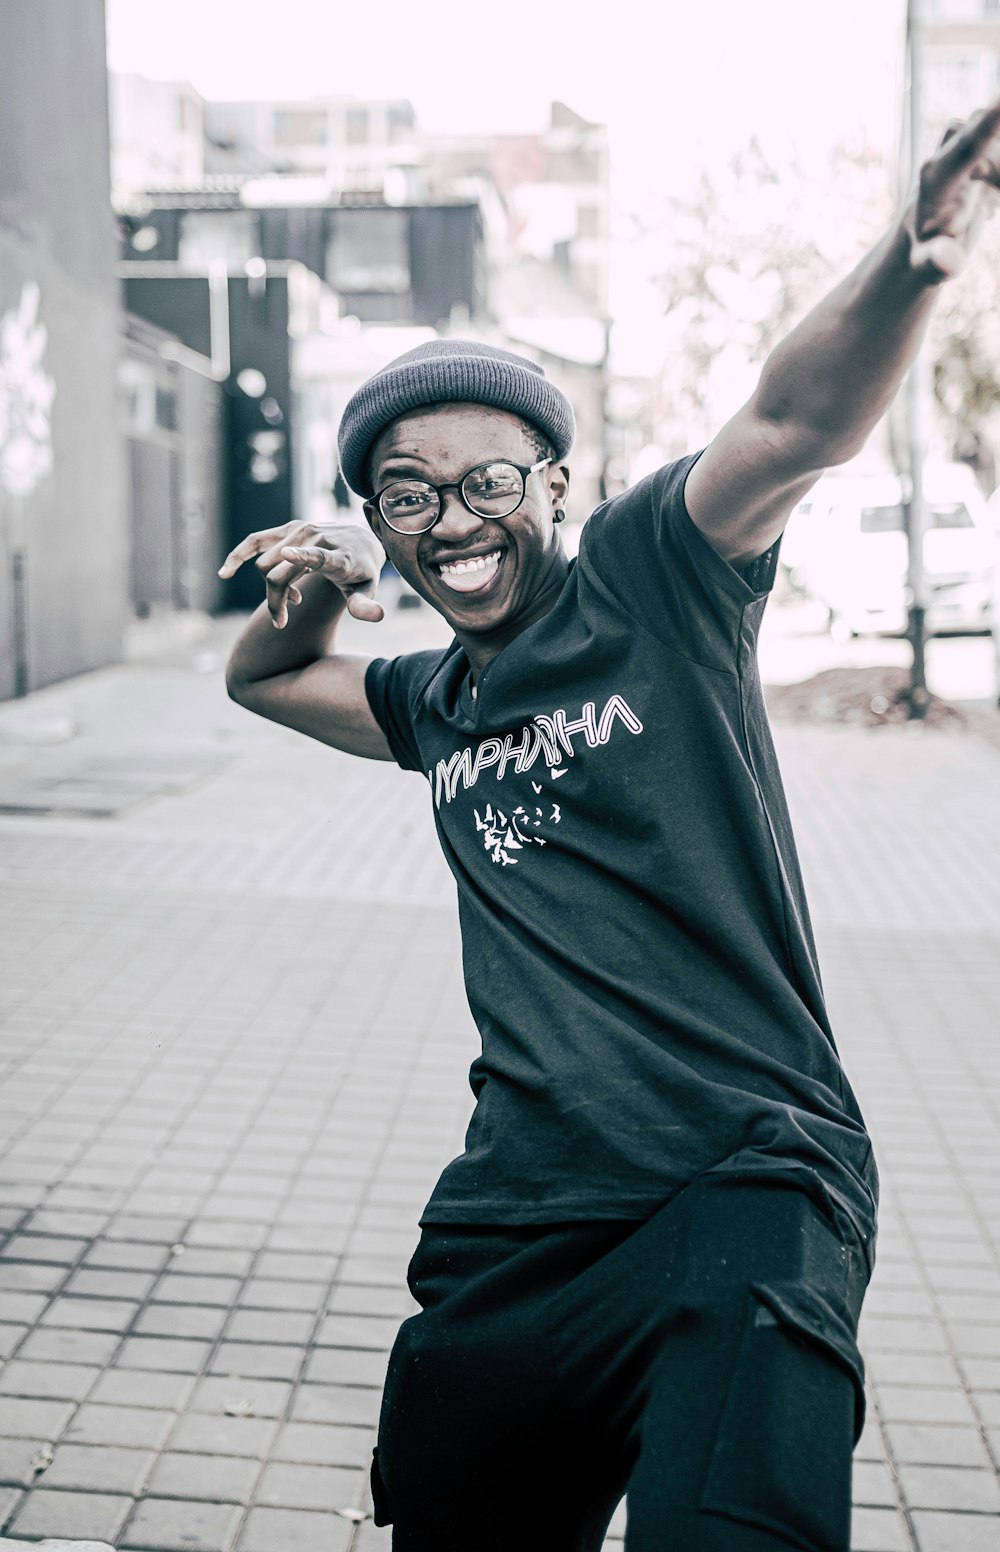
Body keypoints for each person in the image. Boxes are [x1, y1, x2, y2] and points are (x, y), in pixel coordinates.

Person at [220, 103, 1000, 1552]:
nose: (453, 519)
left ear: (557, 489)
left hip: (744, 1179)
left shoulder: (653, 583)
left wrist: (914, 256)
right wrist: (319, 581)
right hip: (519, 1220)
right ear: (385, 527)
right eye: (407, 497)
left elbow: (787, 424)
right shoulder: (432, 698)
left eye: (488, 481)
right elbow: (262, 675)